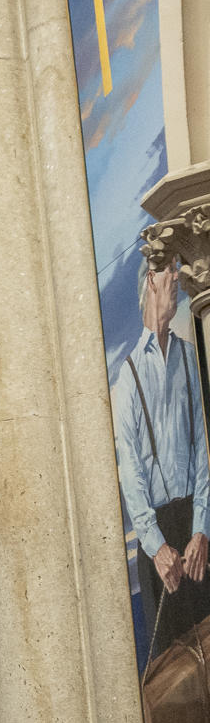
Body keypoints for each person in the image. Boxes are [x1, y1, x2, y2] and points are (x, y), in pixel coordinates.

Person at [112, 254, 210, 659]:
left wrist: (202, 529)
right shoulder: (128, 378)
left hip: (198, 534)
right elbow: (129, 470)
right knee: (175, 677)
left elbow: (204, 451)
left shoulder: (191, 358)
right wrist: (155, 546)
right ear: (151, 282)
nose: (177, 278)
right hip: (159, 540)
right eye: (170, 271)